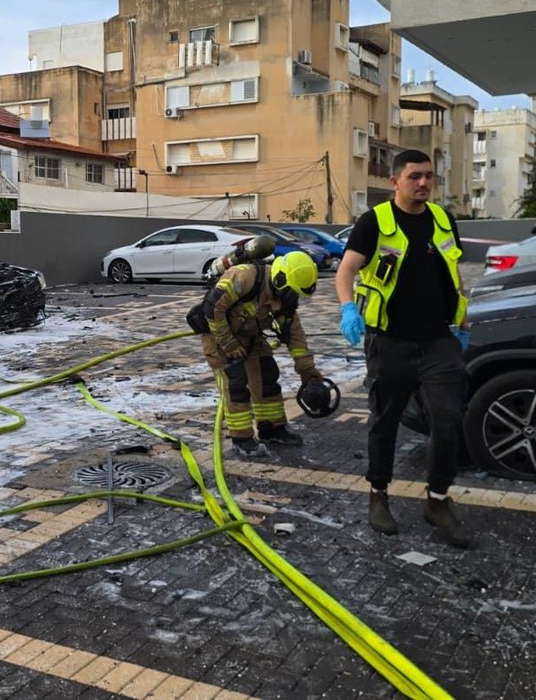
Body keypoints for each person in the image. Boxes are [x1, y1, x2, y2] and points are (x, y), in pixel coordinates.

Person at [334, 149, 471, 548]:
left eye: (429, 176)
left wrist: (463, 322)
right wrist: (347, 308)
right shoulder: (374, 221)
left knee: (447, 419)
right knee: (385, 421)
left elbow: (454, 272)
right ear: (396, 181)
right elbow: (346, 270)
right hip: (389, 340)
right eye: (415, 177)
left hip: (438, 341)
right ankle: (378, 494)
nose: (424, 183)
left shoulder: (444, 220)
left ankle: (438, 499)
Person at [197, 249, 324, 459]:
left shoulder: (285, 295)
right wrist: (228, 344)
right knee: (235, 384)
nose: (292, 298)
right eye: (291, 292)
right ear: (279, 279)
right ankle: (242, 438)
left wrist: (307, 370)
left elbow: (295, 334)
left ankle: (272, 429)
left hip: (252, 336)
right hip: (220, 336)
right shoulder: (244, 277)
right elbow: (212, 309)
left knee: (267, 377)